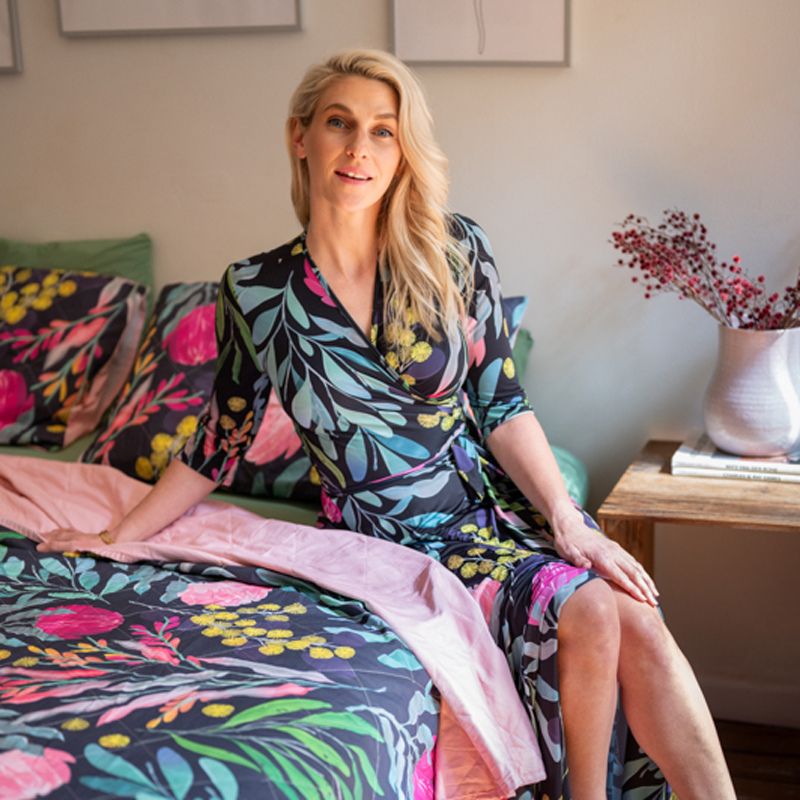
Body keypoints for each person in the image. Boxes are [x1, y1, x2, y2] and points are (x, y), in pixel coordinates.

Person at [39, 50, 736, 799]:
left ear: (403, 151)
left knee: (636, 613)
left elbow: (502, 404)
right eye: (340, 124)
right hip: (381, 542)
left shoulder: (454, 250)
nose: (358, 149)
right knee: (594, 608)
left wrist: (567, 519)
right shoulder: (257, 289)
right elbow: (221, 440)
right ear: (299, 137)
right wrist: (118, 537)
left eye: (383, 131)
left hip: (486, 513)